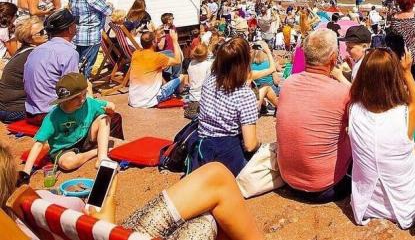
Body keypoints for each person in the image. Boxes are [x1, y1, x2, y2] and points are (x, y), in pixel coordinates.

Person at [3, 142, 261, 240]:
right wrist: (110, 197)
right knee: (215, 182)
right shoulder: (38, 203)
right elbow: (100, 226)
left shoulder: (16, 217)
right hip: (108, 234)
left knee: (209, 211)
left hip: (105, 234)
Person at [348, 48, 415, 229]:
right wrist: (407, 73)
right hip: (407, 206)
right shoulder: (405, 114)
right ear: (394, 77)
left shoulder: (353, 110)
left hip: (366, 206)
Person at [276, 29, 351, 202]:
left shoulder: (288, 83)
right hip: (326, 186)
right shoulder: (341, 92)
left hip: (288, 179)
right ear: (333, 58)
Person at [22, 73, 115, 174]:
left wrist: (110, 109)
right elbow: (39, 144)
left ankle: (102, 157)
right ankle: (97, 152)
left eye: (84, 94)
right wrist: (26, 172)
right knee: (67, 164)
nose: (82, 100)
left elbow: (111, 105)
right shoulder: (53, 117)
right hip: (64, 149)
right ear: (65, 100)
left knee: (103, 118)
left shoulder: (88, 103)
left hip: (85, 140)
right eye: (76, 98)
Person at [196, 37, 259, 176]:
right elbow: (250, 145)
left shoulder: (209, 79)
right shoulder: (245, 95)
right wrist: (259, 145)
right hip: (227, 154)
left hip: (202, 148)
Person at [23, 9, 79, 118]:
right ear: (70, 29)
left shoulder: (36, 50)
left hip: (31, 112)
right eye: (74, 24)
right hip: (51, 116)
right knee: (111, 117)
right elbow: (71, 91)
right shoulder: (68, 52)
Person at [0, 18, 48, 122]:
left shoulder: (23, 51)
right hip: (15, 111)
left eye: (45, 29)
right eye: (41, 32)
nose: (46, 33)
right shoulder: (33, 55)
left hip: (6, 108)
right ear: (28, 39)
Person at [68, 0, 113, 78]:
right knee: (85, 67)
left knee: (75, 64)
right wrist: (111, 4)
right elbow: (108, 11)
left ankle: (74, 87)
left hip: (75, 34)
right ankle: (82, 90)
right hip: (90, 35)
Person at [128, 30, 184, 108]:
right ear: (154, 42)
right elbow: (178, 60)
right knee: (181, 77)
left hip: (133, 100)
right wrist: (174, 40)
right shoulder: (157, 57)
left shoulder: (135, 54)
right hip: (149, 101)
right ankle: (178, 91)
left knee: (166, 56)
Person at [185, 42, 213, 119]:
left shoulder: (191, 63)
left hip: (192, 96)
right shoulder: (208, 65)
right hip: (203, 97)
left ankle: (193, 109)